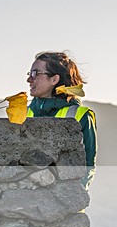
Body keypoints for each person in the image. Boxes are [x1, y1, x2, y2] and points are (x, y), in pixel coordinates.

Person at [26, 51, 97, 189]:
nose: (29, 79)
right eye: (29, 74)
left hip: (65, 202)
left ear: (54, 79)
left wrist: (73, 196)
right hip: (26, 202)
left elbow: (88, 164)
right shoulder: (24, 113)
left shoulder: (80, 115)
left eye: (35, 73)